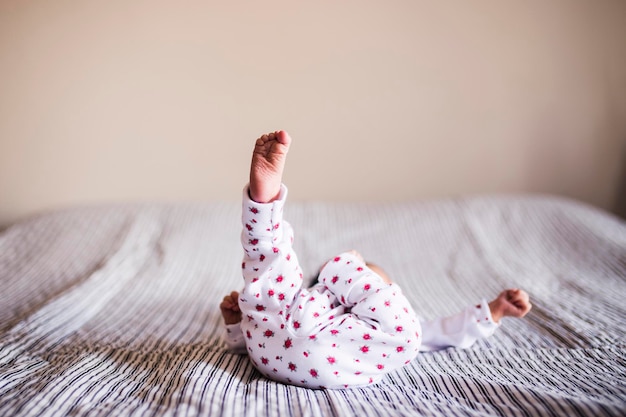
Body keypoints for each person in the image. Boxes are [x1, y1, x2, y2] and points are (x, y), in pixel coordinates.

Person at [220, 130, 531, 389]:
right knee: (271, 267)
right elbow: (252, 335)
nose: (371, 282)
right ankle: (264, 202)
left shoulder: (370, 334)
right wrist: (239, 329)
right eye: (368, 276)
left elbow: (443, 332)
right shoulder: (315, 296)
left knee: (265, 268)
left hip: (283, 356)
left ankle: (264, 207)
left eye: (370, 278)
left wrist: (494, 311)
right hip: (276, 343)